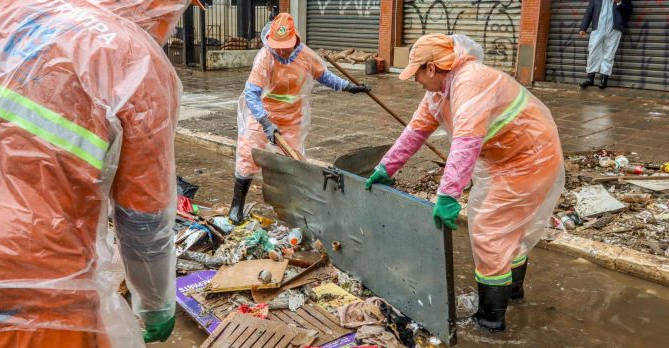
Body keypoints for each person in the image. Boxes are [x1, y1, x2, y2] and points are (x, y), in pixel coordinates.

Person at [0, 0, 190, 346]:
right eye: (175, 15)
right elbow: (143, 221)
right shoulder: (134, 58)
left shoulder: (1, 9)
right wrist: (154, 304)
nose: (172, 28)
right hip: (40, 282)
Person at [365, 34, 565, 331]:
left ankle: (490, 319)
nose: (416, 81)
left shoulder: (470, 82)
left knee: (489, 232)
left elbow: (466, 143)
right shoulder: (440, 91)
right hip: (505, 161)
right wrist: (386, 167)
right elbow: (415, 131)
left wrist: (447, 195)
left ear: (431, 69)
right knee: (504, 230)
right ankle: (511, 293)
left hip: (529, 160)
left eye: (417, 73)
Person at [228, 13, 370, 224]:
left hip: (291, 117)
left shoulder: (304, 55)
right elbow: (251, 94)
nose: (282, 49)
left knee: (292, 162)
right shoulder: (265, 58)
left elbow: (324, 75)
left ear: (295, 40)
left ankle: (293, 211)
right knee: (248, 157)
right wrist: (266, 123)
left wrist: (348, 87)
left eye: (286, 45)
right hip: (262, 115)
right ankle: (236, 206)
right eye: (278, 45)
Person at [579, 0, 633, 89]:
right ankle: (590, 79)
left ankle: (604, 80)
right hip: (597, 29)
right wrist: (583, 28)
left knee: (609, 54)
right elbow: (589, 11)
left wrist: (619, 2)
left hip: (614, 29)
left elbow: (629, 10)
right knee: (593, 52)